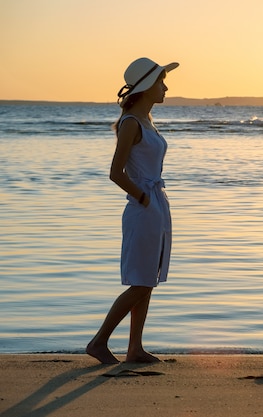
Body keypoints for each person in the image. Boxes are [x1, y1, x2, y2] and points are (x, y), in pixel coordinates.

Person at [86, 57, 179, 364]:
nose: (165, 87)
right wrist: (142, 197)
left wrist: (153, 201)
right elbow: (116, 172)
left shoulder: (147, 122)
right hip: (144, 208)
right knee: (141, 280)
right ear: (147, 86)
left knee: (147, 279)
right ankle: (99, 342)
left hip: (155, 206)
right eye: (161, 81)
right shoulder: (131, 124)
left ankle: (135, 348)